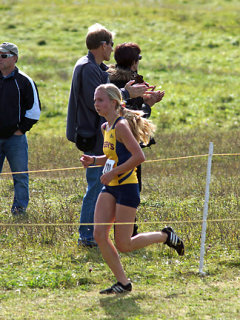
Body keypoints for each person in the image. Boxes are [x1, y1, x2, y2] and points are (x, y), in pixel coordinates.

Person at [80, 83, 184, 294]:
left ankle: (165, 236)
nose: (96, 104)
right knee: (100, 235)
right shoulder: (105, 127)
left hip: (127, 187)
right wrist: (94, 160)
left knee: (124, 244)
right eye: (94, 100)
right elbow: (111, 157)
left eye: (100, 100)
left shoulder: (120, 126)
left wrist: (112, 173)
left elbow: (139, 157)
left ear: (114, 102)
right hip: (110, 187)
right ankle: (123, 283)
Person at [66, 23, 148, 247]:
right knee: (96, 185)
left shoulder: (94, 66)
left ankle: (97, 235)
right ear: (103, 45)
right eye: (110, 45)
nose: (112, 49)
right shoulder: (88, 68)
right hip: (93, 135)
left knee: (101, 184)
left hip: (98, 134)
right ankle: (88, 236)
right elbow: (99, 99)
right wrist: (127, 93)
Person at [0, 42, 41, 219]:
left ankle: (19, 211)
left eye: (3, 55)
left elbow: (34, 111)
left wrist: (21, 130)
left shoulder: (25, 81)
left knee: (20, 177)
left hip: (16, 140)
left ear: (14, 58)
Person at [108, 42, 165, 192]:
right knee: (131, 188)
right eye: (138, 59)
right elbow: (134, 119)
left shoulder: (111, 81)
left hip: (111, 141)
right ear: (134, 63)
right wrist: (148, 104)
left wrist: (144, 99)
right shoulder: (129, 84)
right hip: (128, 144)